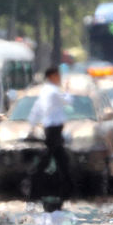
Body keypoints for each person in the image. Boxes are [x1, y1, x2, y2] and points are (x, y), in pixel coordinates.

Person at [28, 66, 73, 197]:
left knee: (60, 157)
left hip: (51, 128)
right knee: (48, 157)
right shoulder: (53, 91)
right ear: (52, 76)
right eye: (57, 75)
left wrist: (32, 123)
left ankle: (66, 186)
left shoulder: (45, 91)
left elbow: (37, 108)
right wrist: (67, 90)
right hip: (53, 128)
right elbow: (68, 101)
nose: (59, 78)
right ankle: (35, 185)